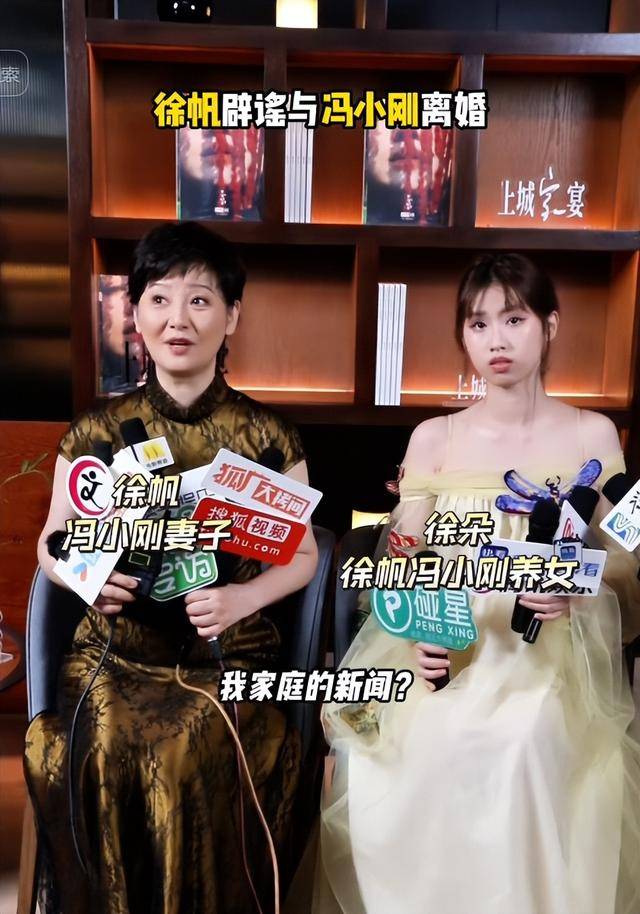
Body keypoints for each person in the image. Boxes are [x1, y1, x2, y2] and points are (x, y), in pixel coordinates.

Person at [313, 253, 640, 914]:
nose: (496, 339)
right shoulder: (434, 438)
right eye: (479, 323)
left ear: (549, 325)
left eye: (514, 319)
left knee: (522, 744)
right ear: (463, 335)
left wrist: (573, 585)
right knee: (425, 744)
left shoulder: (594, 432)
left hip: (551, 657)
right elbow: (401, 559)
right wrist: (414, 633)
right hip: (453, 642)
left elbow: (627, 560)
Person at [24, 221, 318, 914]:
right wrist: (87, 578)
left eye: (200, 300)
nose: (177, 319)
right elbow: (52, 543)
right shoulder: (95, 433)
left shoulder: (268, 437)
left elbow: (304, 556)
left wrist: (241, 601)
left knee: (184, 748)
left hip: (225, 652)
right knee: (103, 743)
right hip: (116, 652)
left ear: (231, 317)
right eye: (158, 299)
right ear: (136, 314)